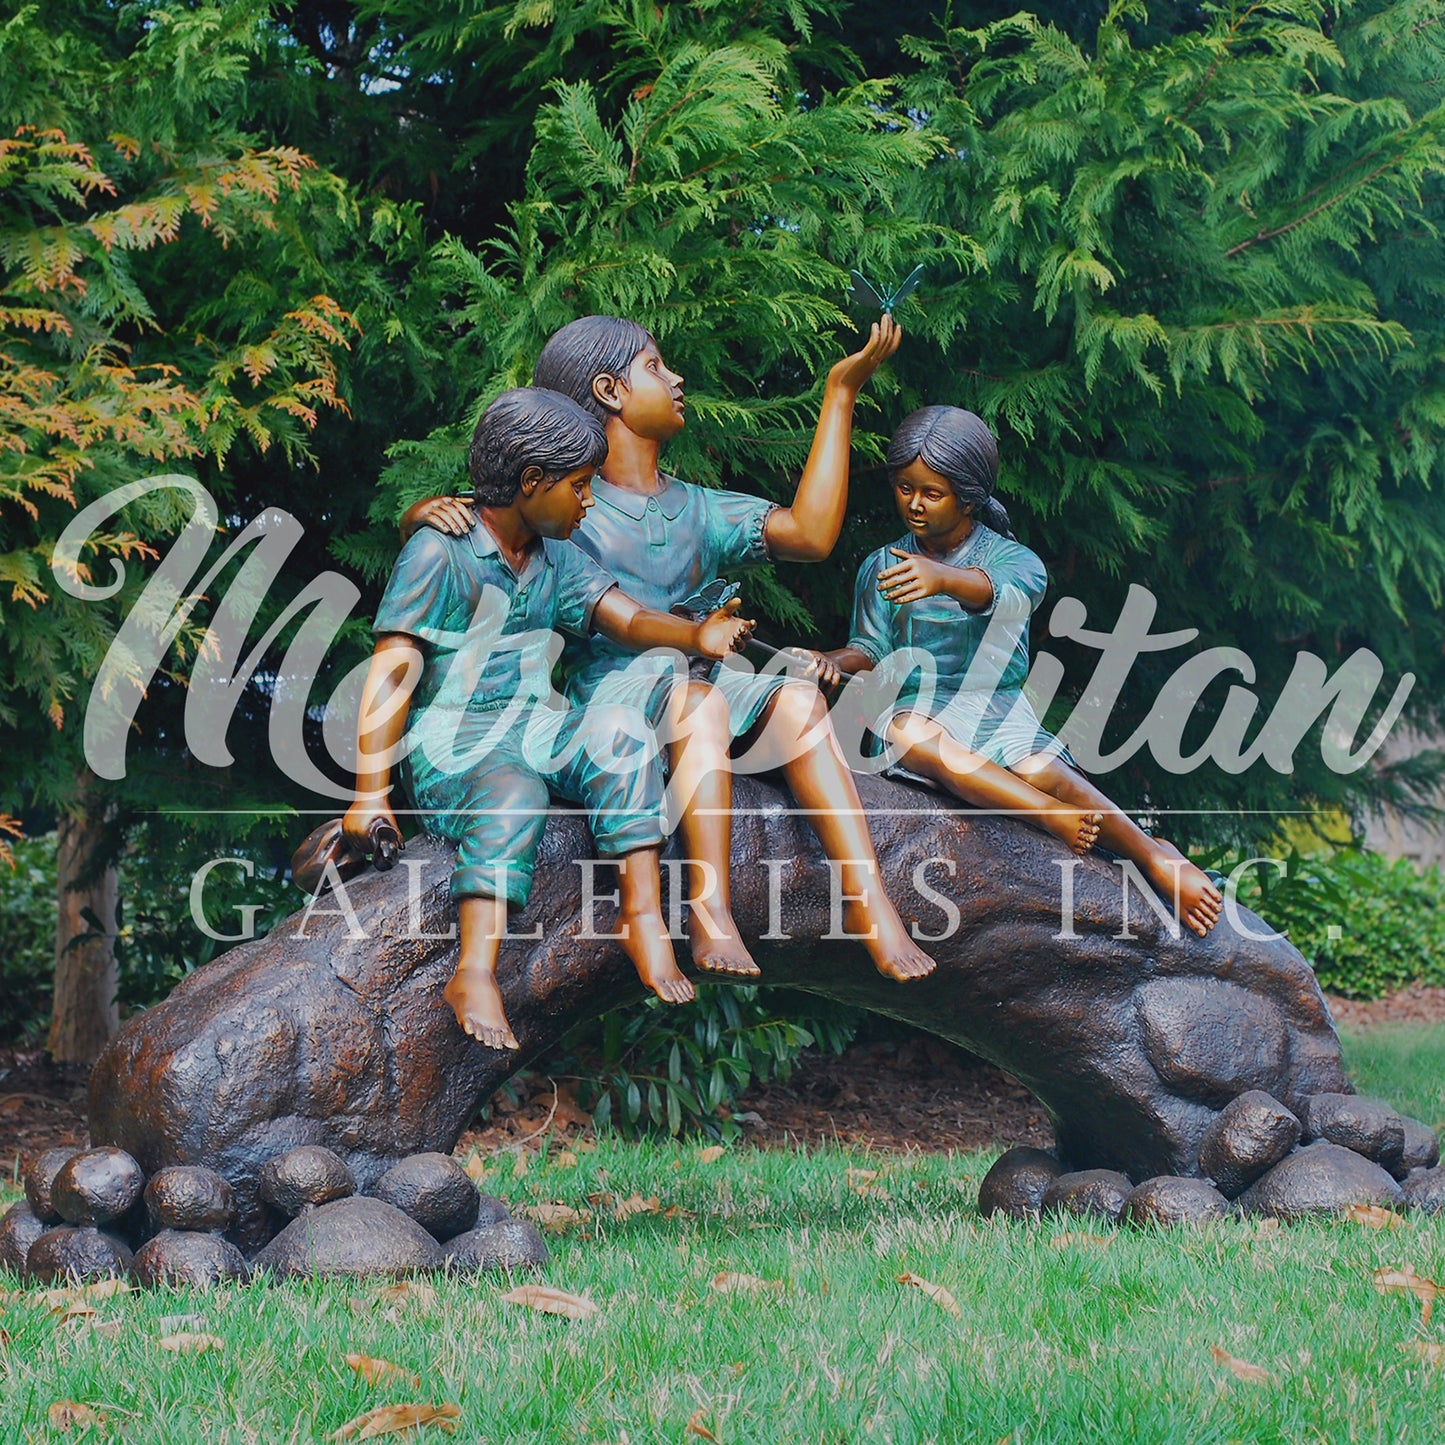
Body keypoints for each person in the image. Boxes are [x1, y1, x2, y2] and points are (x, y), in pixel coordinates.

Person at [402, 314, 936, 984]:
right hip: (618, 695)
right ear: (610, 389)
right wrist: (423, 512)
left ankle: (870, 904)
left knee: (798, 701)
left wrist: (839, 393)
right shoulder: (567, 505)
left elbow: (808, 533)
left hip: (700, 676)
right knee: (693, 697)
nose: (676, 378)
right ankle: (707, 907)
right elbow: (492, 524)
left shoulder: (697, 508)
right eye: (655, 367)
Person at [344, 388, 753, 1051]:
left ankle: (642, 912)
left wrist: (694, 636)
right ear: (530, 481)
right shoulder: (439, 551)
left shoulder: (554, 555)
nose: (588, 500)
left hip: (537, 723)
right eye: (579, 486)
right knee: (515, 790)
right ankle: (473, 972)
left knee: (615, 729)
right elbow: (393, 669)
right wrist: (369, 791)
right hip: (458, 742)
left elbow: (622, 617)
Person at [818, 405, 1224, 939]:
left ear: (969, 496)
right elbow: (869, 645)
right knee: (908, 734)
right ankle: (1047, 815)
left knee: (1040, 767)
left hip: (995, 705)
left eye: (931, 493)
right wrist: (832, 662)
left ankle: (1155, 855)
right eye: (904, 488)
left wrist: (944, 578)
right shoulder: (882, 564)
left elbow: (1006, 596)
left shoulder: (1015, 559)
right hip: (918, 705)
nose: (914, 504)